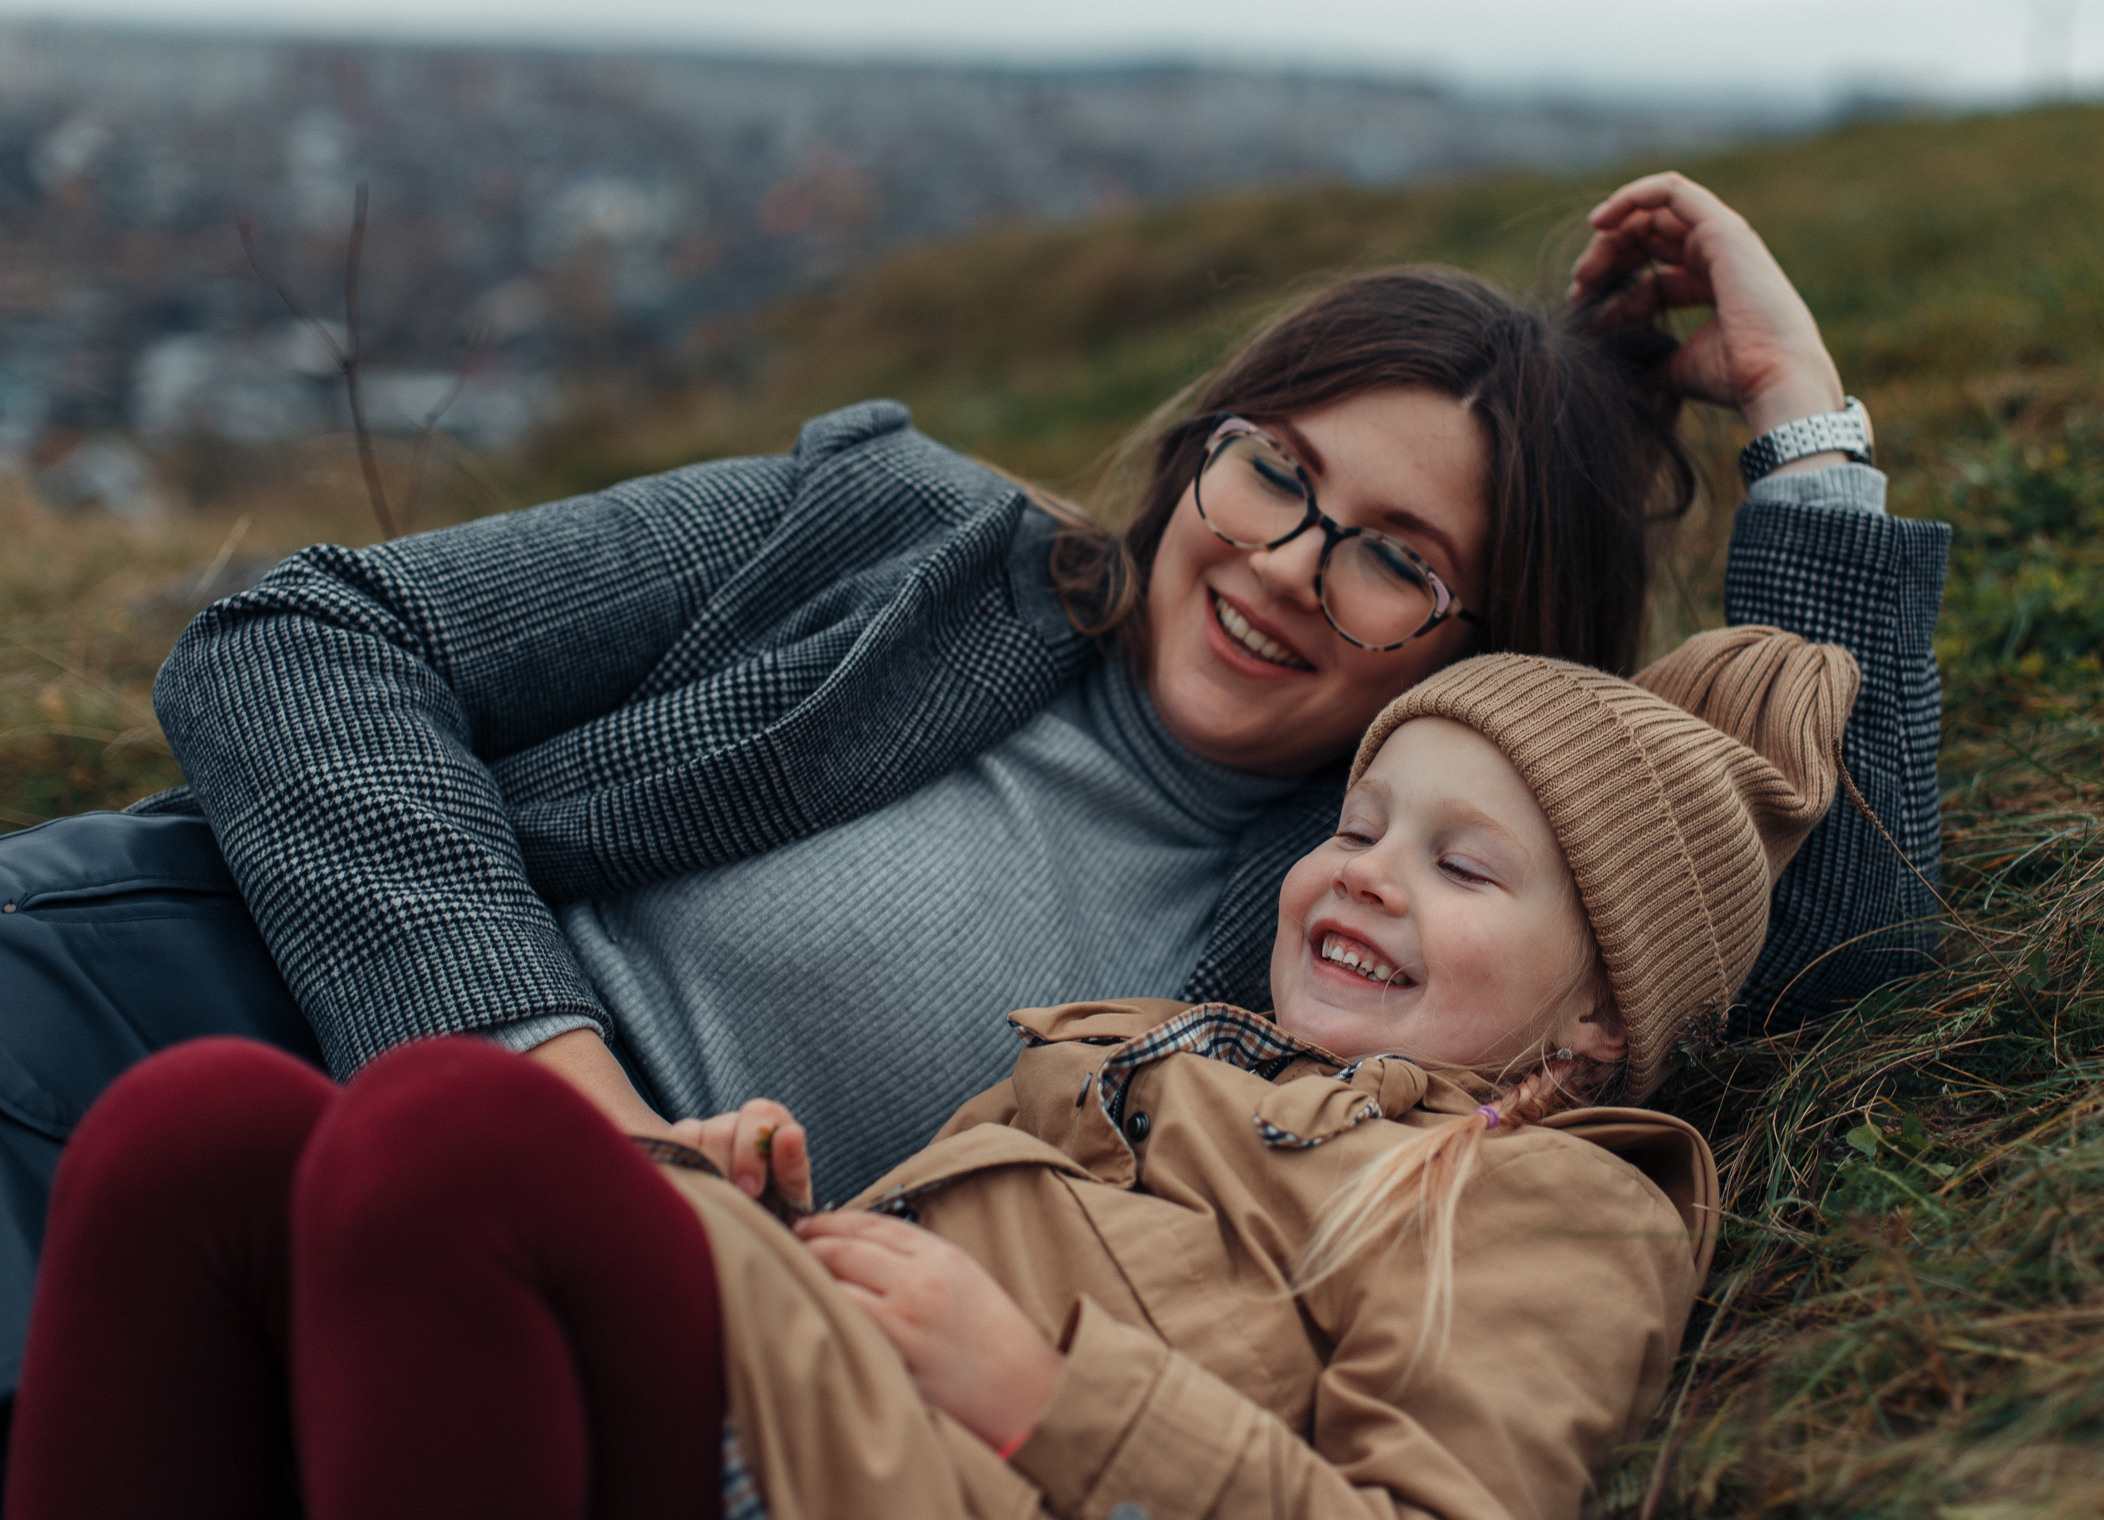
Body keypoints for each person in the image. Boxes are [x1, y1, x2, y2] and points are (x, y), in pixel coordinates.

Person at [0, 175, 1950, 1418]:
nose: (1283, 560)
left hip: (510, 1345)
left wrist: (1808, 421)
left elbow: (1831, 946)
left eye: (1391, 557)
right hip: (159, 1014)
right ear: (1204, 448)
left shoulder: (1350, 934)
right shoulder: (902, 532)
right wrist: (550, 1078)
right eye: (1272, 471)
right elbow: (294, 645)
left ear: (1479, 652)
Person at [8, 627, 1857, 1520]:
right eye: (1362, 820)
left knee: (449, 1130)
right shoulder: (1144, 1041)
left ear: (1607, 1014)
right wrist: (760, 1192)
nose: (1367, 870)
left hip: (903, 1482)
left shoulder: (1560, 1200)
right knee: (202, 1132)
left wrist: (1049, 1392)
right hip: (778, 1401)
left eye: (1462, 868)